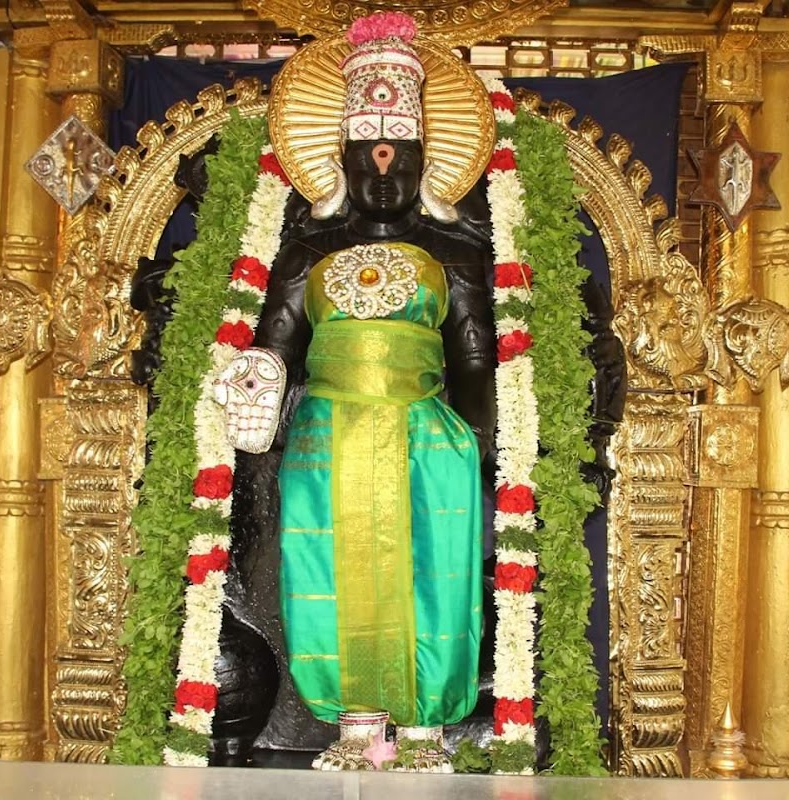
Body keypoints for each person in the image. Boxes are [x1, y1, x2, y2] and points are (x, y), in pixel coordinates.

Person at [216, 14, 497, 771]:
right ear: (338, 161)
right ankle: (355, 727)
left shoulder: (456, 250)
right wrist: (250, 385)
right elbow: (275, 347)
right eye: (367, 155)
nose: (383, 172)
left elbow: (475, 360)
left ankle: (425, 732)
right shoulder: (307, 248)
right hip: (325, 438)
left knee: (429, 577)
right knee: (332, 573)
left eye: (399, 155)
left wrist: (482, 446)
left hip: (426, 441)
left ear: (424, 161)